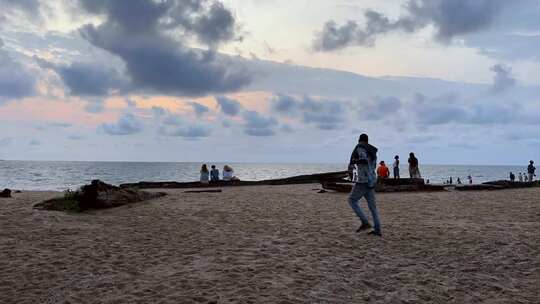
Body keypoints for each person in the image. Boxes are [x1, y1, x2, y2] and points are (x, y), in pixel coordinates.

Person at [347, 133, 382, 237]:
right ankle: (378, 230)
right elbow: (372, 164)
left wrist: (354, 161)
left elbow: (363, 160)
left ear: (360, 140)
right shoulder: (373, 151)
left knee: (351, 200)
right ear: (367, 141)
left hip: (363, 180)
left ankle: (365, 222)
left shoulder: (361, 148)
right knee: (373, 207)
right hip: (371, 180)